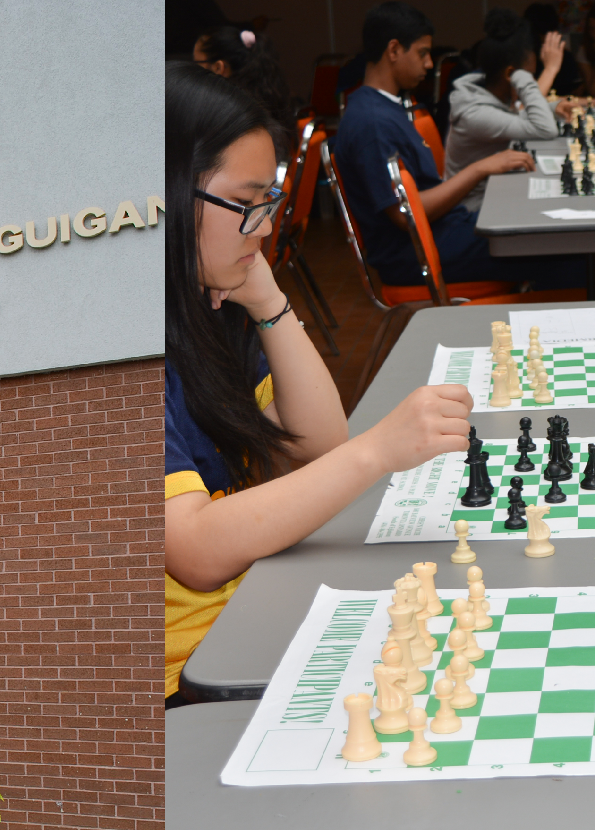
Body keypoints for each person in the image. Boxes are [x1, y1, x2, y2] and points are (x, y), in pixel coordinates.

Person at [164, 63, 474, 699]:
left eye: (267, 204)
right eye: (245, 205)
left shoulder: (207, 305)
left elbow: (315, 443)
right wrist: (379, 451)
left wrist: (270, 302)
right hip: (186, 677)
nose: (267, 227)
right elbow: (193, 550)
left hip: (246, 610)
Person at [331, 2, 583, 292]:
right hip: (416, 253)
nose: (429, 64)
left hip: (441, 231)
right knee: (561, 248)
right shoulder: (371, 122)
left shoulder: (383, 107)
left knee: (549, 233)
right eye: (423, 53)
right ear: (394, 50)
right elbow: (405, 215)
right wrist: (480, 168)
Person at [448, 8, 581, 195]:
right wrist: (550, 70)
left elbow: (516, 116)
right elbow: (545, 129)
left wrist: (551, 108)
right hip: (474, 207)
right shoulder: (475, 113)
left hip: (493, 192)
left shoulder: (489, 97)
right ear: (511, 74)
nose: (531, 83)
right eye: (529, 78)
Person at [196, 24, 305, 132]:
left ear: (218, 68)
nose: (191, 70)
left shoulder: (230, 115)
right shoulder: (267, 100)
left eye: (196, 63)